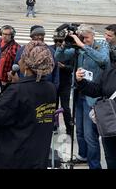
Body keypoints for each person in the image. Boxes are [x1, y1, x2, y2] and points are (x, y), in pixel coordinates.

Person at [0, 41, 57, 169]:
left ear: (27, 64)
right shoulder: (50, 88)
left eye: (21, 58)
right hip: (37, 156)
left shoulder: (18, 91)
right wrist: (18, 83)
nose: (18, 62)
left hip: (14, 157)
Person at [55, 24, 110, 169]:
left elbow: (104, 60)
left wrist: (82, 45)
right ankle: (83, 155)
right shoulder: (77, 49)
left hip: (93, 96)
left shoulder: (101, 46)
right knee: (79, 131)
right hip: (79, 94)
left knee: (90, 135)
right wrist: (63, 45)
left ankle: (94, 165)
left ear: (93, 36)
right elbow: (58, 57)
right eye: (82, 38)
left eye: (86, 38)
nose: (84, 40)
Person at [76, 66, 116, 169]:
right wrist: (81, 82)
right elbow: (96, 89)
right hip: (110, 126)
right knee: (111, 159)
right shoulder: (110, 72)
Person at [52, 32, 73, 135]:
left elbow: (72, 68)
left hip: (65, 83)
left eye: (60, 41)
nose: (58, 43)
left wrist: (63, 67)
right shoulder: (50, 49)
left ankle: (69, 128)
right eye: (56, 40)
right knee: (53, 106)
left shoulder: (69, 51)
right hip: (53, 84)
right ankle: (54, 126)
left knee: (65, 107)